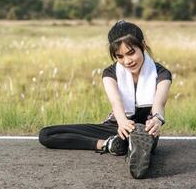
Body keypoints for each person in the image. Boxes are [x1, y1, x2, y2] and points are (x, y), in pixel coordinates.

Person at [39, 20, 172, 179]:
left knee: (143, 137)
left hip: (146, 129)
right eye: (120, 56)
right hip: (117, 126)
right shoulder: (110, 73)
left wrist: (157, 120)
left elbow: (159, 103)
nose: (127, 61)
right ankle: (110, 144)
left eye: (131, 52)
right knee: (46, 134)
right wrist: (122, 123)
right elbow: (116, 102)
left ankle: (135, 147)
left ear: (143, 45)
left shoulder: (162, 73)